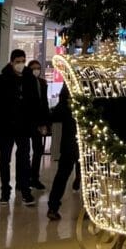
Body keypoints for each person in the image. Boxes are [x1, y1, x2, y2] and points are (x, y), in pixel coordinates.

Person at [0, 50, 47, 206]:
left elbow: (36, 103)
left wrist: (40, 123)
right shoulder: (1, 80)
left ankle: (25, 189)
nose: (21, 64)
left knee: (24, 158)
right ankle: (5, 192)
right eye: (18, 61)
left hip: (24, 126)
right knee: (5, 159)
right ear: (12, 62)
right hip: (6, 126)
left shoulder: (30, 80)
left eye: (23, 61)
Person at [46, 85, 80, 221]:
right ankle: (91, 210)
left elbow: (55, 115)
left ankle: (53, 207)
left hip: (69, 143)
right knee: (87, 175)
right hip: (77, 142)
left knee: (63, 174)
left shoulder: (64, 104)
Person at [26, 59, 51, 191]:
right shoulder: (24, 83)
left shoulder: (42, 83)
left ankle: (34, 177)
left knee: (38, 150)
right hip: (26, 121)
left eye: (38, 68)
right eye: (33, 68)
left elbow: (44, 103)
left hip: (38, 122)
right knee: (24, 152)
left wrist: (46, 123)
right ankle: (24, 178)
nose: (36, 70)